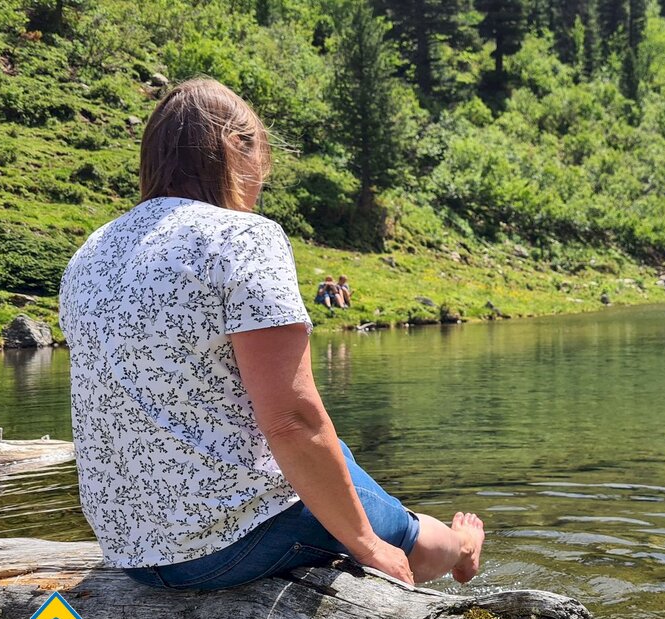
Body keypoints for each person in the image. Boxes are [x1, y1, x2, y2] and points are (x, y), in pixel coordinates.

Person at [57, 78, 484, 591]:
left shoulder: (91, 252)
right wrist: (369, 547)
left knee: (337, 461)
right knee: (415, 542)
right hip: (225, 543)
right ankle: (463, 548)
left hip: (130, 548)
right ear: (237, 150)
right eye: (261, 158)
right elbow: (291, 419)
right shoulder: (242, 237)